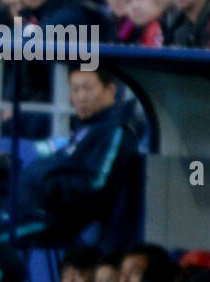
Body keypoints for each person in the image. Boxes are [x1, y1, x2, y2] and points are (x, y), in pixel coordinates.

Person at [14, 66, 143, 243]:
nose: (81, 97)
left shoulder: (116, 130)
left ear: (111, 90)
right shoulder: (89, 126)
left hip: (48, 218)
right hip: (31, 208)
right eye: (75, 89)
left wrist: (47, 184)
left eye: (88, 88)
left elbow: (95, 184)